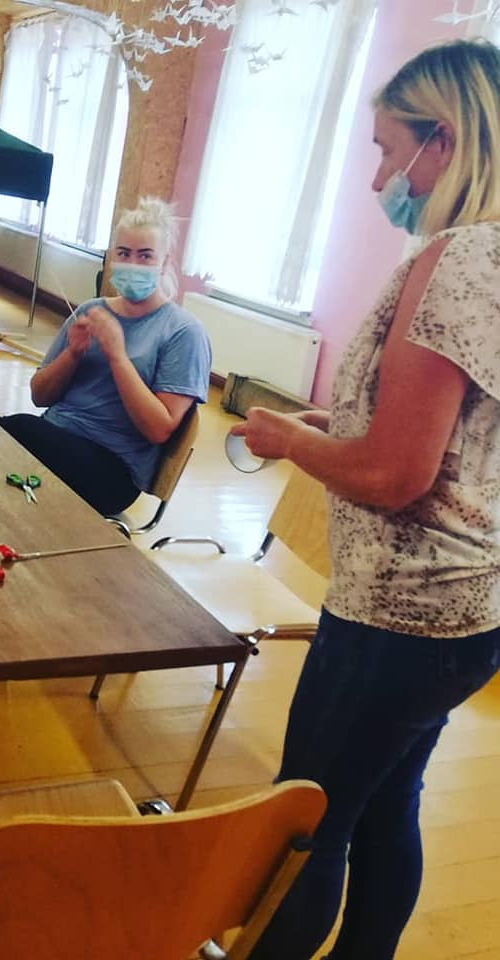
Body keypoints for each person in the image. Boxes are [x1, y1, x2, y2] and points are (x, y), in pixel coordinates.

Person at [231, 40, 500, 960]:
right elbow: (454, 438)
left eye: (389, 149)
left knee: (308, 820)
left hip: (398, 614)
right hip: (464, 613)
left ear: (443, 140)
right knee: (386, 803)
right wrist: (336, 421)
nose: (381, 177)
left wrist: (289, 443)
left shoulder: (459, 260)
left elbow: (395, 476)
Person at [0, 197, 211, 515]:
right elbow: (40, 396)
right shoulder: (91, 311)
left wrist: (117, 356)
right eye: (123, 253)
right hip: (55, 435)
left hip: (113, 470)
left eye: (145, 255)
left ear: (165, 262)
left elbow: (159, 429)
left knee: (9, 431)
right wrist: (72, 354)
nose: (132, 264)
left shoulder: (184, 332)